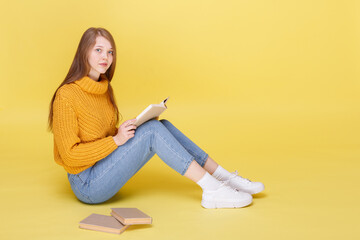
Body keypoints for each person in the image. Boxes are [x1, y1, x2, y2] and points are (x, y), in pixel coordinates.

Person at [48, 27, 264, 209]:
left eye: (110, 52)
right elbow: (70, 156)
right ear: (83, 53)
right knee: (152, 132)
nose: (106, 57)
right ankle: (212, 189)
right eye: (98, 50)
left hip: (103, 166)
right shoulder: (66, 95)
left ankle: (223, 177)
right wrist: (116, 140)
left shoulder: (103, 89)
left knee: (160, 125)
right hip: (87, 184)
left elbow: (100, 136)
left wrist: (128, 127)